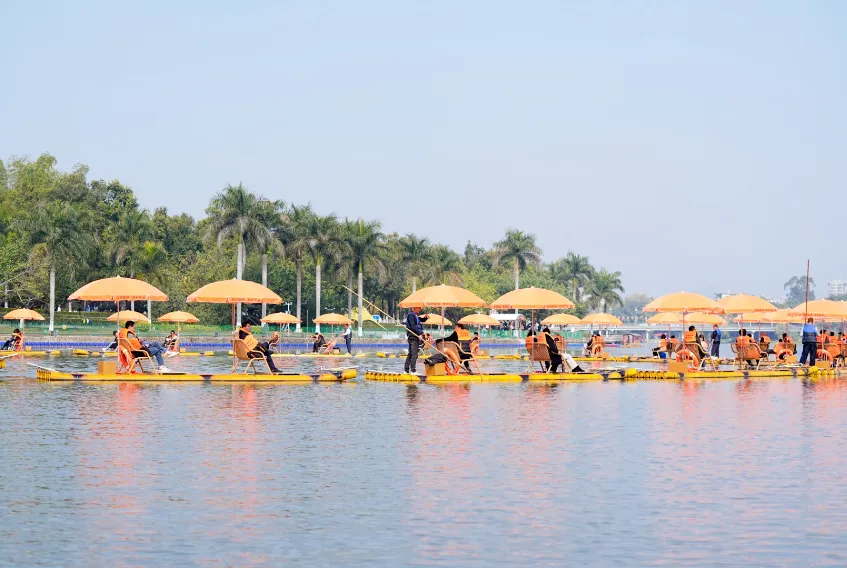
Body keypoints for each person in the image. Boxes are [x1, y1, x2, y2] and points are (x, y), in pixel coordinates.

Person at [403, 306, 429, 374]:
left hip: (415, 337)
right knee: (414, 354)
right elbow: (413, 326)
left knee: (411, 354)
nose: (420, 309)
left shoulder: (415, 315)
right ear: (414, 308)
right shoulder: (411, 315)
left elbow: (421, 320)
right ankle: (413, 371)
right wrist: (420, 333)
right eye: (419, 308)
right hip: (413, 336)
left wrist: (425, 318)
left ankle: (406, 370)